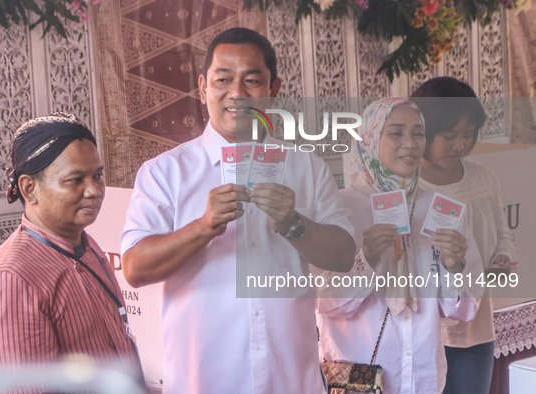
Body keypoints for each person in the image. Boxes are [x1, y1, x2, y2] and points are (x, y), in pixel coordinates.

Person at [120, 27, 356, 394]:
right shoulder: (164, 173)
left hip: (290, 377)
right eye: (223, 79)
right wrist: (203, 227)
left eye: (252, 81)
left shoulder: (306, 168)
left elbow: (343, 255)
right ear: (203, 87)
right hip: (204, 378)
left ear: (273, 90)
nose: (237, 93)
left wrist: (294, 224)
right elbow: (134, 268)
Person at [316, 98, 484, 394]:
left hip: (422, 377)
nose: (410, 143)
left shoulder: (440, 208)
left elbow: (464, 310)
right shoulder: (339, 209)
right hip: (356, 377)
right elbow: (324, 301)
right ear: (370, 137)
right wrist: (366, 259)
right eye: (396, 132)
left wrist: (453, 266)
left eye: (418, 133)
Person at [0, 113, 145, 392]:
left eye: (98, 176)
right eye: (75, 180)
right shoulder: (11, 280)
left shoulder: (87, 246)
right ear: (30, 189)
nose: (94, 191)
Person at [411, 77, 518, 394]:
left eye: (468, 136)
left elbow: (504, 235)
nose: (460, 145)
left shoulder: (483, 178)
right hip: (423, 328)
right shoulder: (405, 186)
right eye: (450, 136)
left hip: (475, 328)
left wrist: (502, 257)